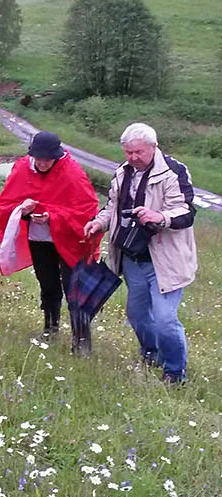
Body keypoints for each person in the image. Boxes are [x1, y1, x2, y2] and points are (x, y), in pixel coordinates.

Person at [84, 122, 197, 383]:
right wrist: (98, 223)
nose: (133, 158)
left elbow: (186, 211)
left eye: (138, 152)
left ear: (153, 147)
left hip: (164, 260)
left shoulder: (173, 171)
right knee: (136, 315)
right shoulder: (123, 173)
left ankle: (175, 371)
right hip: (133, 258)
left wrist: (159, 217)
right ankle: (150, 354)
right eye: (128, 152)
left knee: (165, 319)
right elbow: (112, 207)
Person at [0, 131, 99, 351]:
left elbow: (87, 211)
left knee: (74, 287)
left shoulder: (72, 172)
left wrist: (51, 216)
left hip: (70, 240)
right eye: (38, 159)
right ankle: (50, 327)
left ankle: (81, 339)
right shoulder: (22, 168)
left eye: (47, 160)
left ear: (57, 156)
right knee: (48, 285)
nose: (42, 164)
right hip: (39, 239)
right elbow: (6, 203)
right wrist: (23, 212)